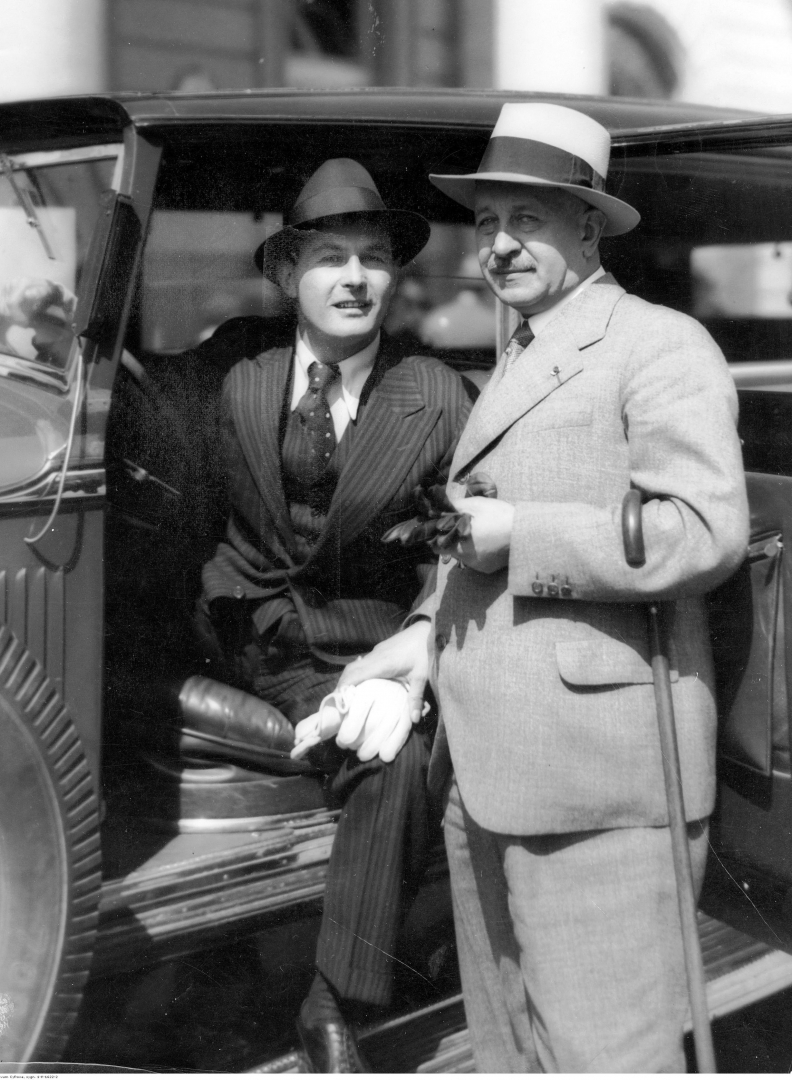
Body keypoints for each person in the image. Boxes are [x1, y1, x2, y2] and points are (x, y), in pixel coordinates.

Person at [338, 103, 750, 1072]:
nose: (499, 244)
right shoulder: (523, 348)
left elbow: (704, 531)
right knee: (512, 1051)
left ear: (588, 229)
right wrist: (422, 631)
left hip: (600, 784)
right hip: (491, 769)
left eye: (527, 218)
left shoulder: (658, 343)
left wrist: (523, 535)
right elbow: (475, 538)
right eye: (486, 222)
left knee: (606, 1057)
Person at [188, 158, 474, 1072]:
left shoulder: (436, 395)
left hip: (361, 645)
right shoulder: (236, 371)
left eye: (373, 258)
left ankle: (330, 1002)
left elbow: (459, 547)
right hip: (244, 632)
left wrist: (418, 643)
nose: (354, 278)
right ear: (286, 275)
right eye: (329, 258)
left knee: (397, 758)